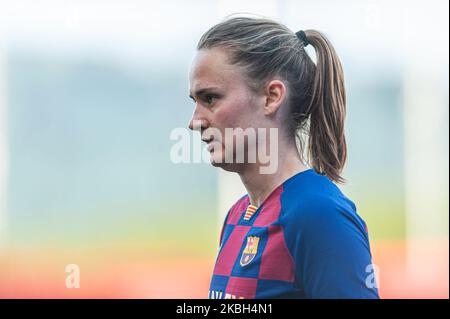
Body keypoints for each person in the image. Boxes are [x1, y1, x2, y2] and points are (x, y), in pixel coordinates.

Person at [188, 15, 379, 299]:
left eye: (211, 98)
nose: (194, 122)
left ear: (271, 97)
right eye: (195, 102)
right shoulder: (238, 215)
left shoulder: (318, 215)